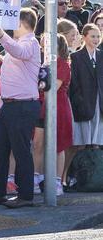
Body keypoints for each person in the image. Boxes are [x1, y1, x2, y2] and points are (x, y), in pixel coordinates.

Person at [0, 9, 41, 209]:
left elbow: (19, 52)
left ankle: (25, 195)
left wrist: (1, 36)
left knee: (21, 150)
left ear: (22, 24)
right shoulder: (18, 44)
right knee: (0, 150)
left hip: (23, 105)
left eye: (14, 23)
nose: (10, 27)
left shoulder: (30, 43)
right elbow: (13, 57)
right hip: (9, 105)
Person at [33, 34, 73, 196]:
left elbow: (53, 88)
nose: (44, 46)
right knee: (37, 143)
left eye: (47, 43)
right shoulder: (42, 63)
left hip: (58, 107)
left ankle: (57, 182)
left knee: (58, 145)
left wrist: (38, 87)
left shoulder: (62, 64)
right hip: (41, 106)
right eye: (43, 43)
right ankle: (37, 179)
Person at [69, 24, 103, 147]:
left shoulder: (101, 55)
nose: (96, 39)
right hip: (82, 103)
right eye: (93, 36)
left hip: (99, 103)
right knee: (81, 141)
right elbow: (74, 83)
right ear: (84, 37)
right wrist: (78, 100)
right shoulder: (75, 57)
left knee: (97, 141)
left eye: (98, 36)